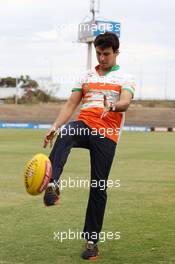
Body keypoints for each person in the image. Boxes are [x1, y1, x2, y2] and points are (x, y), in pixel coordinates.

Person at [43, 31, 135, 260]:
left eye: (106, 54)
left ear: (116, 53)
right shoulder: (84, 76)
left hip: (108, 134)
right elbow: (70, 104)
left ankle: (92, 242)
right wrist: (54, 126)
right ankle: (53, 184)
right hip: (84, 124)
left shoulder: (125, 77)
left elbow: (125, 101)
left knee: (98, 187)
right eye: (98, 53)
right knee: (66, 133)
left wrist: (112, 107)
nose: (101, 58)